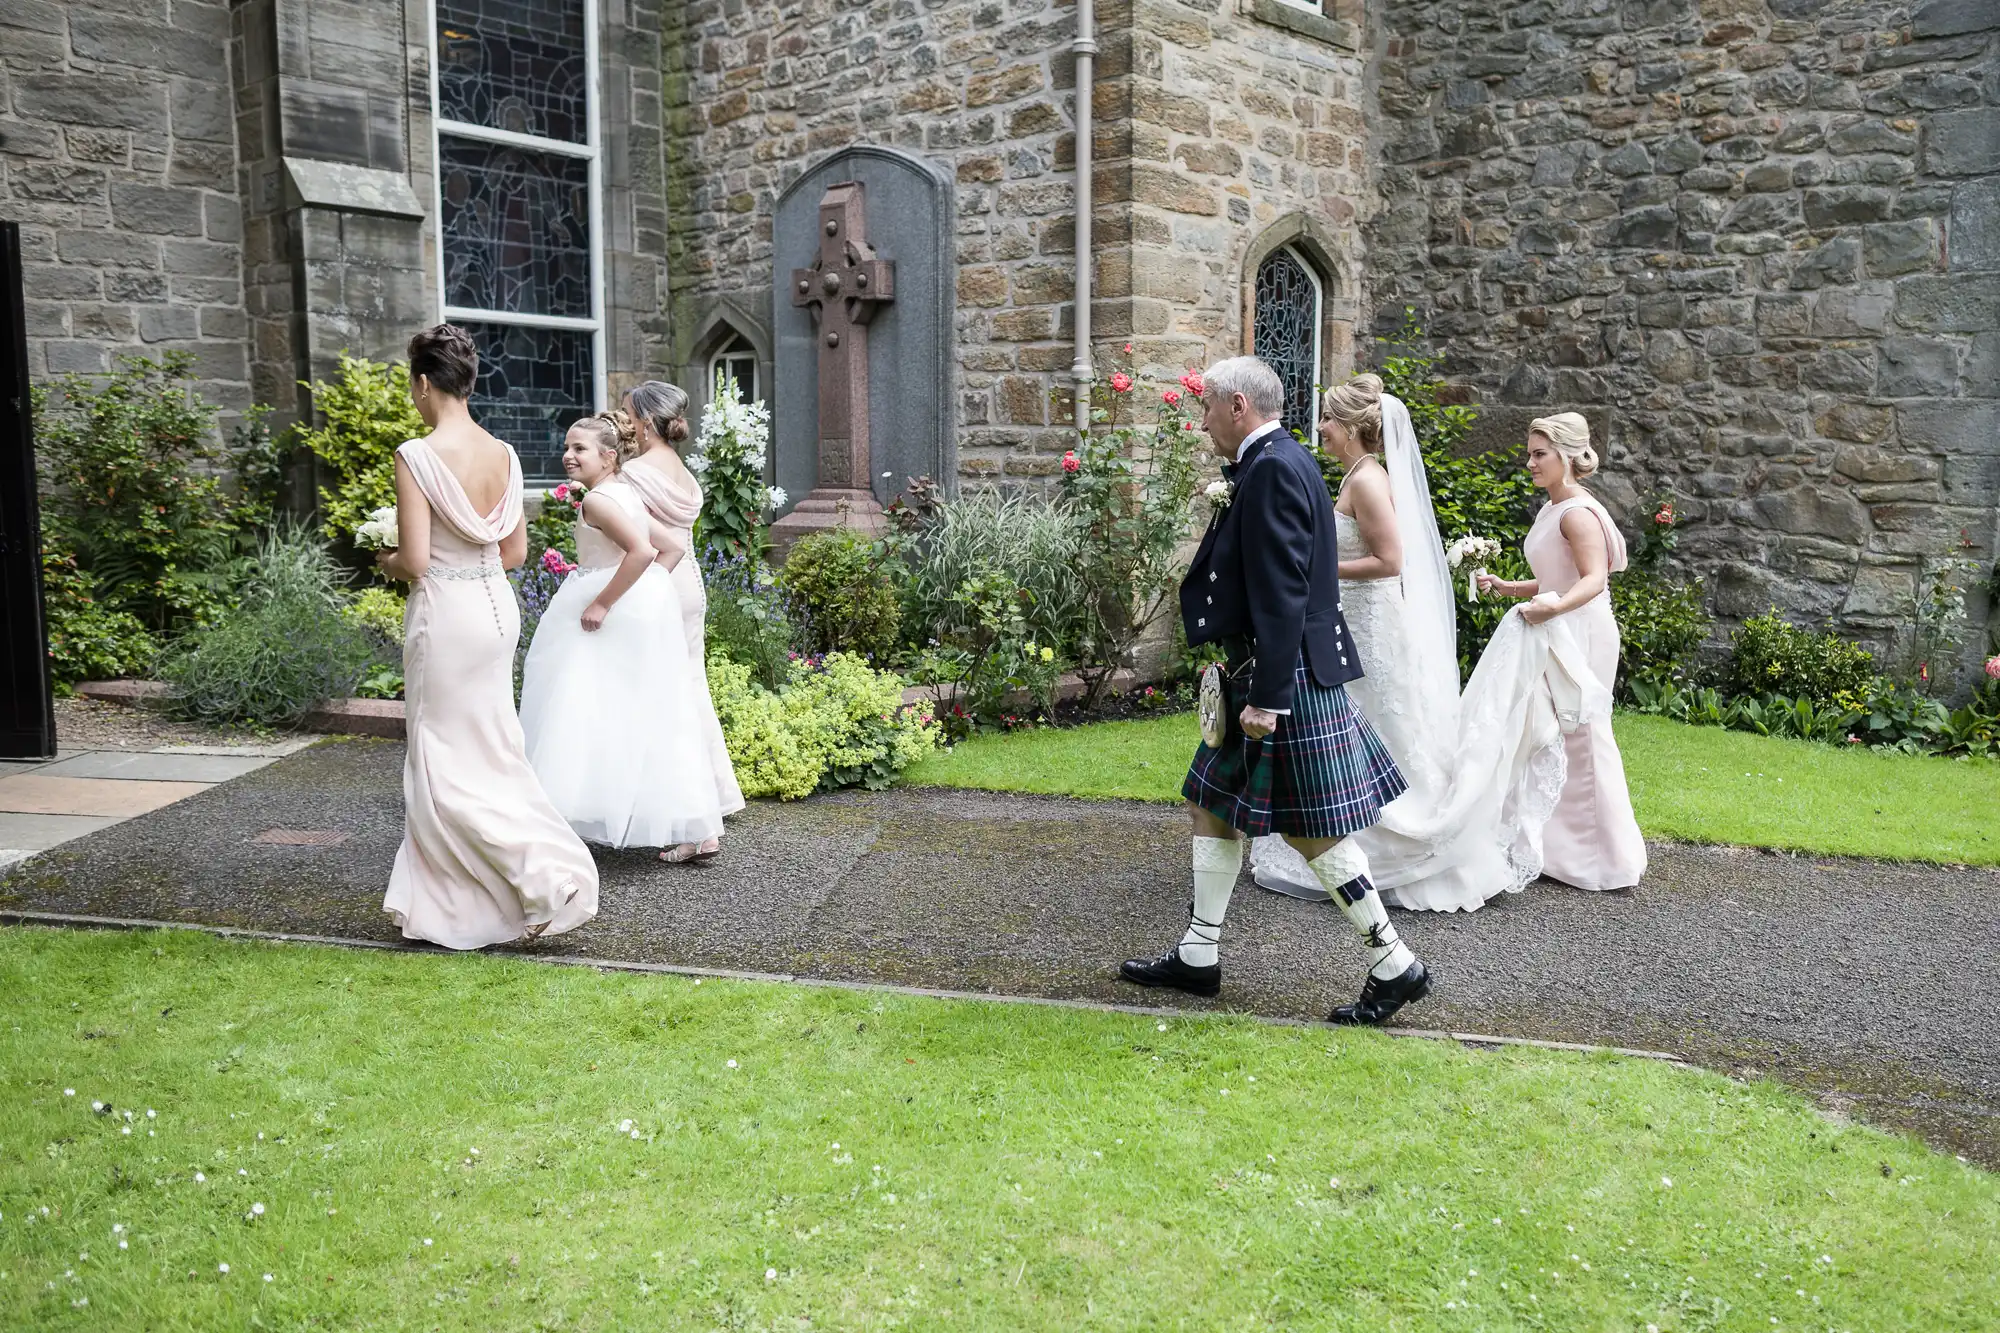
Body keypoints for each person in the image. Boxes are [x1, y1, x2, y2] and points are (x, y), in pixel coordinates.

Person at [1117, 356, 1432, 1026]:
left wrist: (1269, 695)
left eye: (1205, 407)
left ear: (1238, 405)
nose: (1201, 422)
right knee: (1210, 802)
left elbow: (1287, 591)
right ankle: (1199, 952)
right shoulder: (1275, 462)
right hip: (1260, 672)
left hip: (1280, 679)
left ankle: (1394, 963)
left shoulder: (1273, 470)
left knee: (1314, 831)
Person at [376, 324, 599, 950]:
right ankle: (475, 898)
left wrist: (384, 557)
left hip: (446, 613)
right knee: (493, 749)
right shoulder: (504, 453)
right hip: (496, 609)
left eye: (412, 386)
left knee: (443, 756)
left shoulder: (415, 455)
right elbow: (515, 552)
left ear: (424, 383)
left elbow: (417, 562)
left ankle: (546, 876)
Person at [1248, 375, 1494, 912]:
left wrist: (1320, 573)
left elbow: (1390, 561)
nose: (1320, 430)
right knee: (1358, 724)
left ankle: (1389, 843)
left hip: (1372, 623)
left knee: (1381, 721)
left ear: (1354, 427)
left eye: (1329, 420)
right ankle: (1342, 832)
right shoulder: (1356, 475)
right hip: (1352, 619)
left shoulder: (1368, 481)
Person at [518, 412, 726, 853]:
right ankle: (698, 830)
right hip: (628, 614)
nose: (567, 456)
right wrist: (646, 593)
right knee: (648, 715)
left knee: (578, 709)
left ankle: (554, 820)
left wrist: (604, 601)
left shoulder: (597, 502)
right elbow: (671, 548)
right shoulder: (624, 493)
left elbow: (644, 551)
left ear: (609, 457)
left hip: (601, 611)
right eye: (568, 447)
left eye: (580, 449)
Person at [1475, 413, 1647, 891]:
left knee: (1583, 731)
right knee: (1549, 733)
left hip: (1582, 632)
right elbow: (1558, 577)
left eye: (1539, 454)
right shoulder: (1553, 508)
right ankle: (1555, 847)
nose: (1529, 462)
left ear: (1567, 458)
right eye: (1529, 453)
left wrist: (1549, 611)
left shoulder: (1576, 512)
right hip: (1559, 625)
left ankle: (1603, 858)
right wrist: (1511, 587)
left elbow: (1594, 580)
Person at [618, 380, 744, 864]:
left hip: (658, 582)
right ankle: (707, 807)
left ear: (646, 422)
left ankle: (692, 823)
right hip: (690, 583)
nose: (625, 423)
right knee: (692, 691)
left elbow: (637, 543)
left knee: (665, 703)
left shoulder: (634, 475)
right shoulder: (686, 474)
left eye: (628, 415)